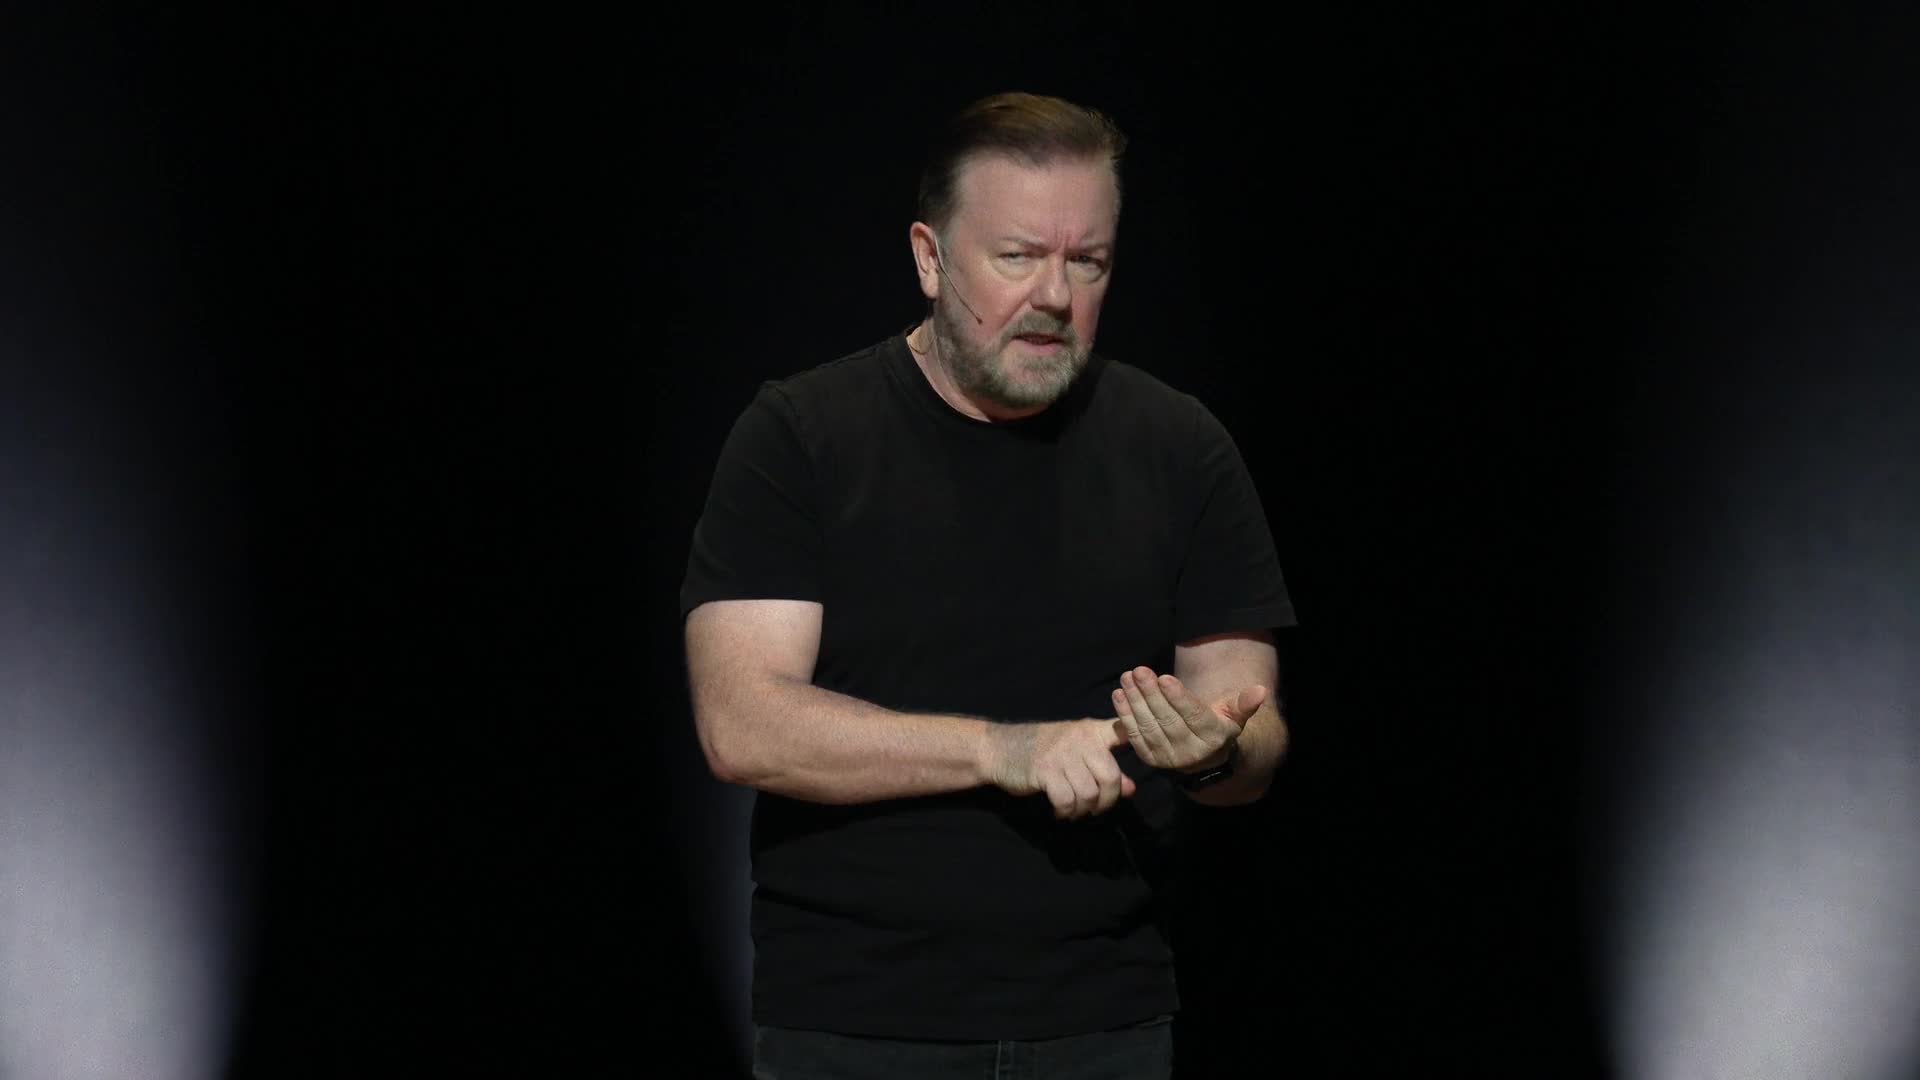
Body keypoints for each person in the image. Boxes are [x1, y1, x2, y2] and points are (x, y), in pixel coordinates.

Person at [678, 90, 1297, 1080]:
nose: (1055, 294)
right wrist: (1001, 749)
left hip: (1106, 1019)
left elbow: (1253, 742)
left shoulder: (1181, 447)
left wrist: (1214, 751)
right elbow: (742, 724)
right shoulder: (802, 437)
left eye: (1087, 262)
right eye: (1017, 256)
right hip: (855, 1024)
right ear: (930, 259)